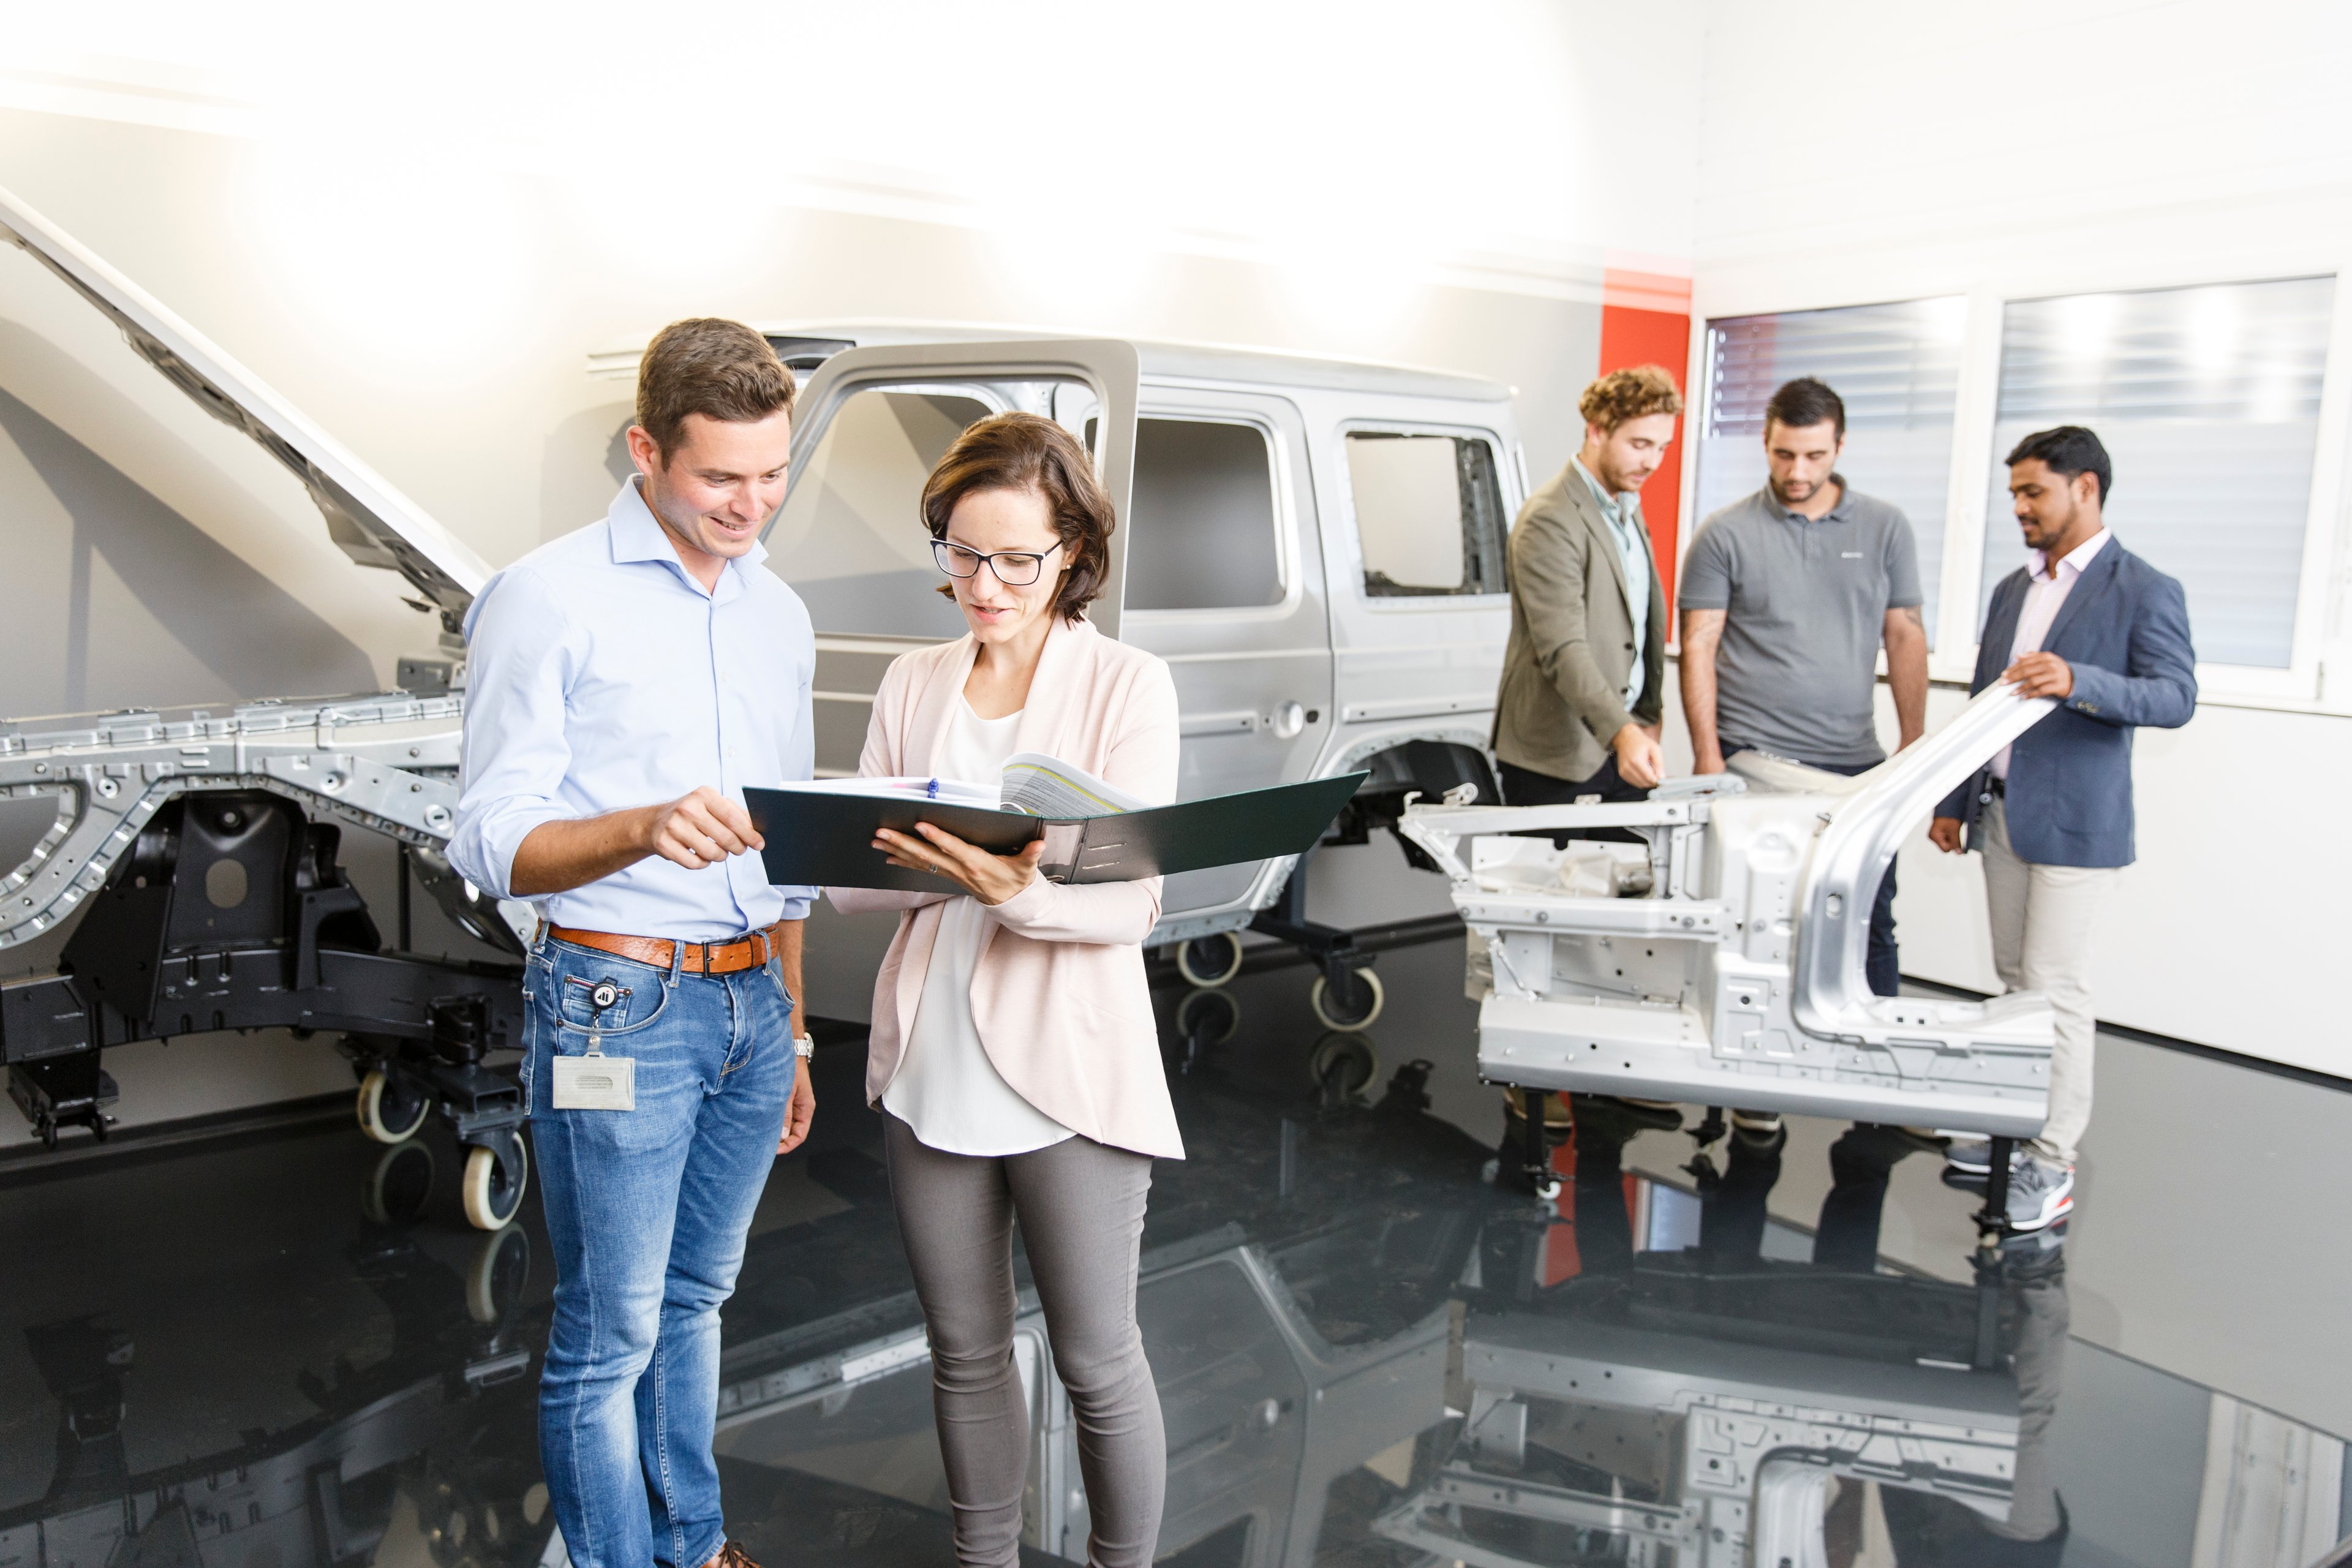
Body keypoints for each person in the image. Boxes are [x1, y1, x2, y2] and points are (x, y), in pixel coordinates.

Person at [448, 318, 819, 1568]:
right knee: (609, 1335)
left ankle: (692, 1545)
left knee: (697, 1299)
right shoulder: (547, 596)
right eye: (721, 477)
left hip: (752, 1004)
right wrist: (642, 828)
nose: (750, 505)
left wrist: (793, 1030)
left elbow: (787, 851)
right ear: (646, 450)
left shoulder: (778, 612)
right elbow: (492, 838)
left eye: (773, 474)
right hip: (616, 1003)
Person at [827, 412, 1182, 1568]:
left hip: (1070, 1062)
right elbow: (854, 886)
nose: (984, 585)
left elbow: (1131, 907)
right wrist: (881, 857)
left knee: (1097, 1360)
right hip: (932, 1056)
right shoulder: (914, 678)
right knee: (964, 1354)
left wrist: (1012, 891)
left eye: (1018, 560)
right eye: (963, 554)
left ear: (1072, 553)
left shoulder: (1128, 683)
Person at [1931, 426, 2196, 1231]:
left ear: (2085, 488)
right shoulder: (2013, 589)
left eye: (2033, 492)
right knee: (2016, 980)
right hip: (2002, 814)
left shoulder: (2144, 588)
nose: (2020, 507)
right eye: (2015, 492)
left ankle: (2052, 1160)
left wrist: (2080, 680)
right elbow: (1983, 701)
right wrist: (1953, 800)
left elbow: (2175, 697)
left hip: (2080, 824)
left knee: (2055, 987)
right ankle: (2014, 1128)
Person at [1678, 375, 1928, 998]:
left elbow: (1905, 633)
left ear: (1840, 446)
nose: (1797, 471)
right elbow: (1699, 644)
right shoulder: (1725, 533)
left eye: (1814, 455)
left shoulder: (1886, 527)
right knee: (1755, 922)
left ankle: (1875, 1052)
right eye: (1783, 454)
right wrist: (1708, 757)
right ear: (1765, 444)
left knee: (1868, 920)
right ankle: (1751, 1058)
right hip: (1755, 762)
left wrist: (1915, 745)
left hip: (1855, 764)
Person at [1491, 365, 1678, 808]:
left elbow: (1636, 621)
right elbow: (1563, 647)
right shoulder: (1550, 517)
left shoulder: (1625, 505)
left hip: (1622, 742)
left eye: (1662, 448)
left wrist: (1645, 718)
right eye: (1639, 445)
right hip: (1558, 757)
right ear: (1597, 431)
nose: (1652, 462)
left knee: (1636, 856)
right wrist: (1624, 732)